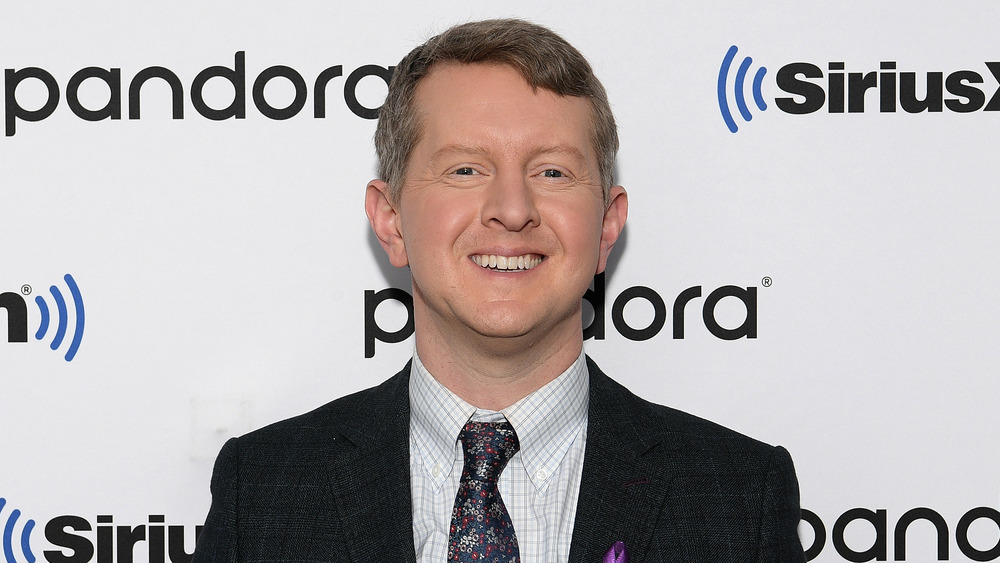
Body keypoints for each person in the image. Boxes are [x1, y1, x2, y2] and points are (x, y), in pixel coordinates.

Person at [192, 18, 805, 563]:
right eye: (465, 169)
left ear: (607, 227)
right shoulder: (264, 491)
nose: (512, 210)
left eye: (552, 172)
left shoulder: (737, 495)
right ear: (391, 221)